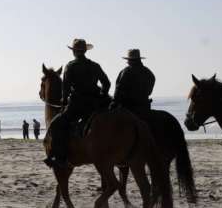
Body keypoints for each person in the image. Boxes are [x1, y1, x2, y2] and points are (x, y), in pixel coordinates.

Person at [44, 38, 111, 169]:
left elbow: (66, 88)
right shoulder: (95, 66)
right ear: (85, 51)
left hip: (77, 105)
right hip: (95, 104)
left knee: (56, 124)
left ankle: (60, 158)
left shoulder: (71, 66)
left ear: (74, 52)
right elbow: (106, 83)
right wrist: (102, 95)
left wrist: (64, 100)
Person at [113, 49, 156, 115]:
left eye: (128, 60)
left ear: (130, 60)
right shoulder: (148, 72)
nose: (127, 62)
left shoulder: (126, 71)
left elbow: (118, 89)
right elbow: (150, 89)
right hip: (145, 106)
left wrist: (114, 103)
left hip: (128, 108)